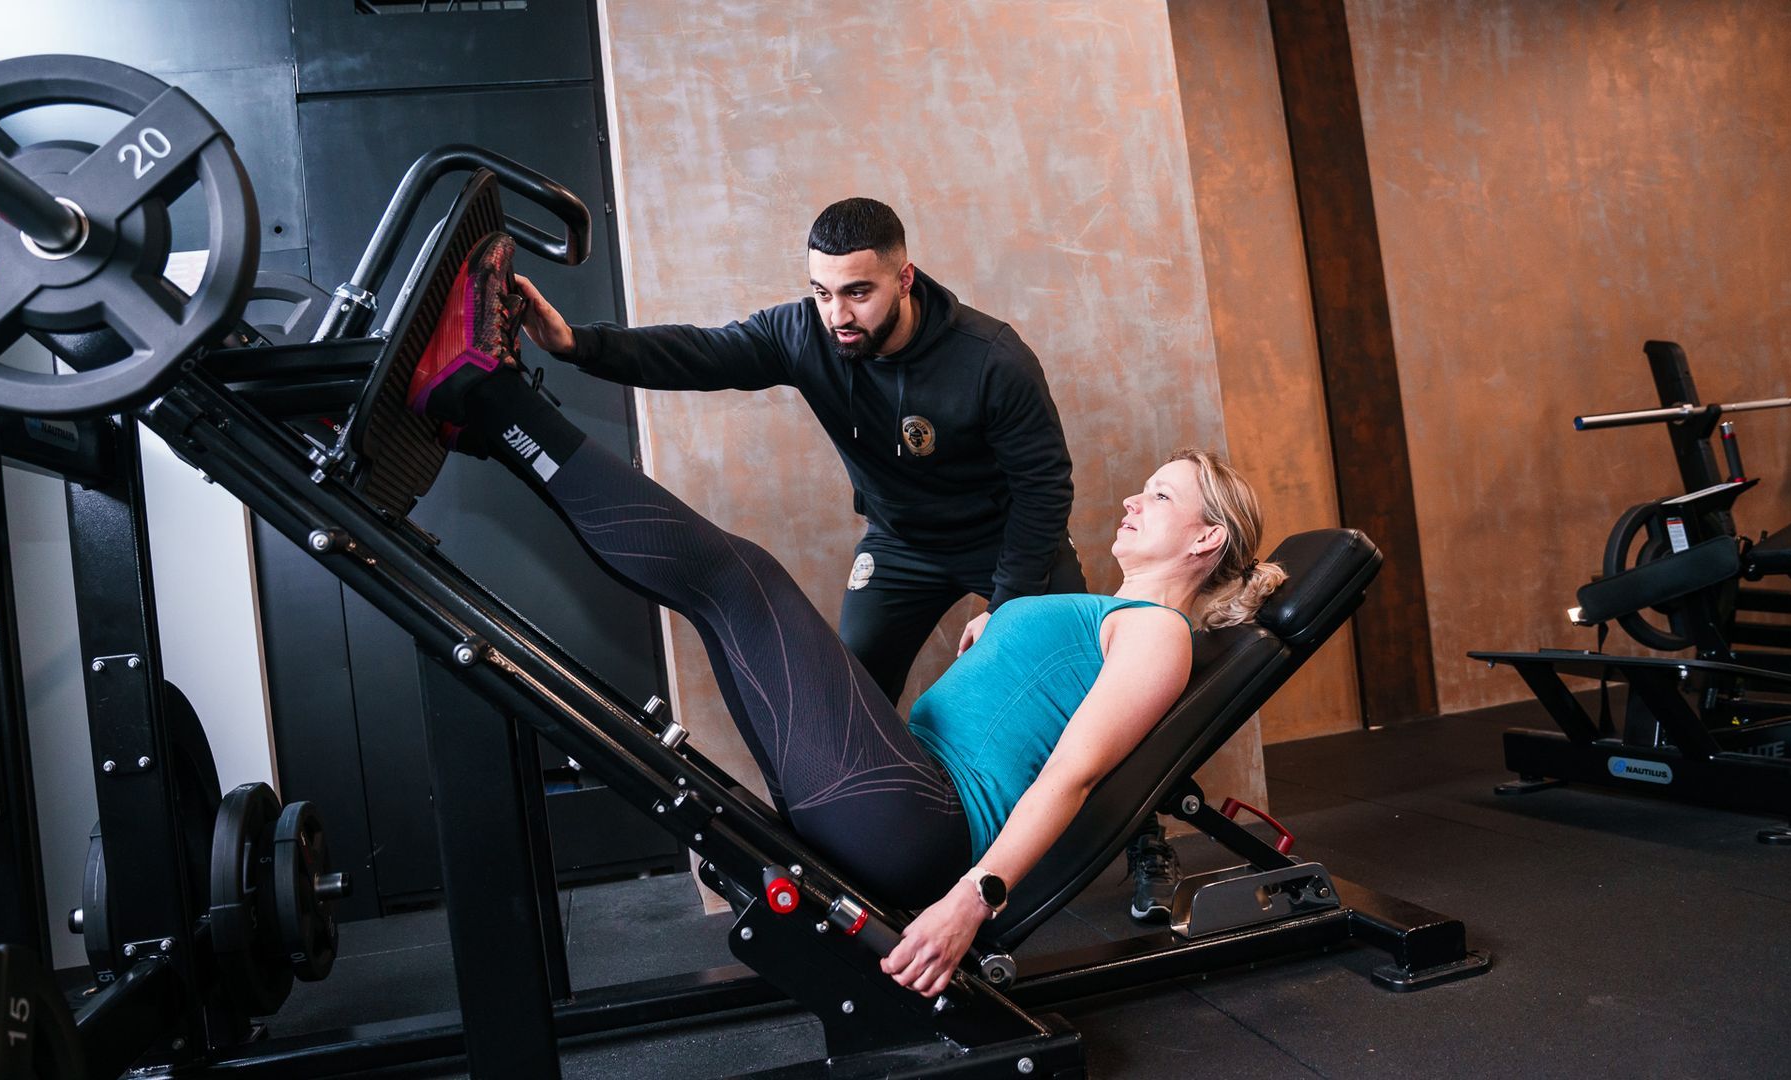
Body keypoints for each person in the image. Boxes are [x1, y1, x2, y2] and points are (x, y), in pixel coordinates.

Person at [407, 233, 1286, 996]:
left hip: (919, 821)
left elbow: (1072, 778)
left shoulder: (1158, 634)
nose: (1132, 498)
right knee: (721, 597)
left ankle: (493, 400)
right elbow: (713, 353)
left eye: (1160, 496)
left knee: (737, 580)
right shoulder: (1105, 614)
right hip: (901, 796)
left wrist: (970, 902)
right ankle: (491, 419)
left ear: (1206, 539)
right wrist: (1007, 630)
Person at [508, 197, 1181, 922]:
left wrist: (1009, 607)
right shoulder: (807, 334)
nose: (838, 314)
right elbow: (700, 352)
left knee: (1100, 693)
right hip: (901, 546)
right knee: (841, 692)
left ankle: (1148, 844)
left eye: (858, 292)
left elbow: (1044, 488)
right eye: (823, 292)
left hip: (1010, 545)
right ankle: (837, 873)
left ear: (905, 278)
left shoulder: (992, 358)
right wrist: (576, 343)